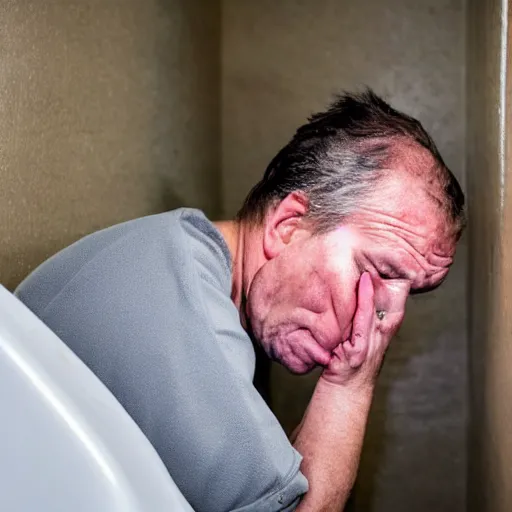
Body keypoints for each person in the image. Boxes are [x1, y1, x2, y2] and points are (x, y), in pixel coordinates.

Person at [15, 90, 465, 512]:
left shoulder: (189, 267)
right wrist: (350, 382)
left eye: (412, 293)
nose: (384, 320)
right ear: (287, 225)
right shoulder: (186, 302)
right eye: (378, 272)